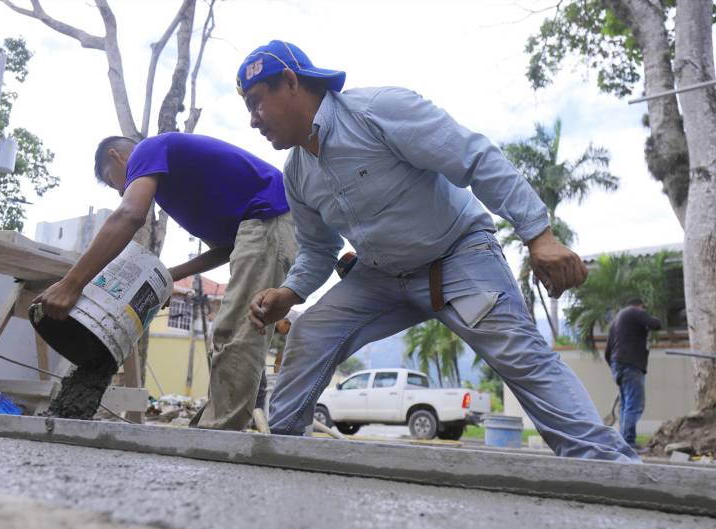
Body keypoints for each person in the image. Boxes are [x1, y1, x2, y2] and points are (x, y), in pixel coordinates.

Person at [235, 40, 639, 462]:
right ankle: (281, 450)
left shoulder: (378, 110)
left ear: (291, 81)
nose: (252, 120)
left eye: (257, 103)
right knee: (311, 331)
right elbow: (319, 249)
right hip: (381, 277)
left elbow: (473, 158)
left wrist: (538, 234)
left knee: (521, 356)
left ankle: (608, 467)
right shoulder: (296, 174)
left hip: (458, 255)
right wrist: (289, 294)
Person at [36, 132, 297, 430]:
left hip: (272, 219)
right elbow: (225, 249)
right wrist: (168, 278)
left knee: (237, 330)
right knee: (228, 332)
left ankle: (218, 436)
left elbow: (129, 215)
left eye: (114, 181)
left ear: (117, 155)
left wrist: (71, 284)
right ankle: (214, 427)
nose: (121, 190)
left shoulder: (148, 149)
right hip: (265, 225)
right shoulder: (176, 188)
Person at [605, 298, 662, 448]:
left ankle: (623, 442)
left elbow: (607, 351)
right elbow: (656, 324)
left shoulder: (616, 320)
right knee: (634, 405)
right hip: (632, 365)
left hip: (618, 365)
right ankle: (628, 442)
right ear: (640, 305)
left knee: (625, 405)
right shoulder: (635, 311)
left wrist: (616, 368)